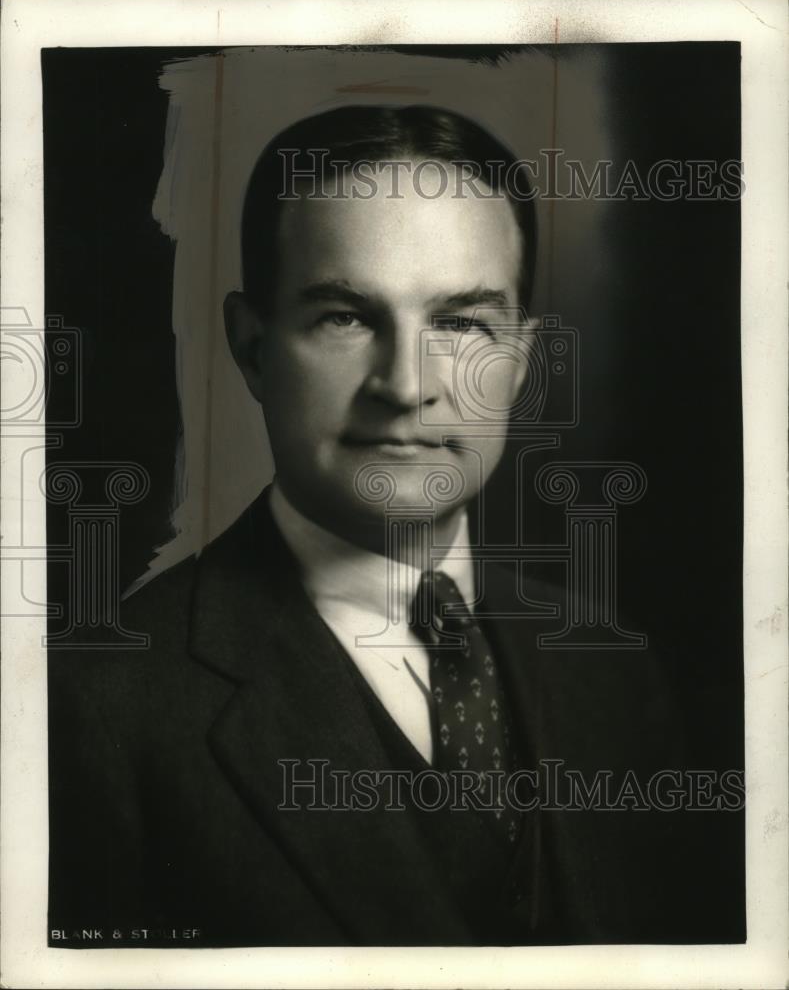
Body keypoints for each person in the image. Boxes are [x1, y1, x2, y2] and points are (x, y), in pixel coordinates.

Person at [47, 105, 743, 948]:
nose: (406, 384)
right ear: (252, 348)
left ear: (519, 360)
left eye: (459, 323)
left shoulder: (617, 670)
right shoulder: (92, 708)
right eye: (344, 316)